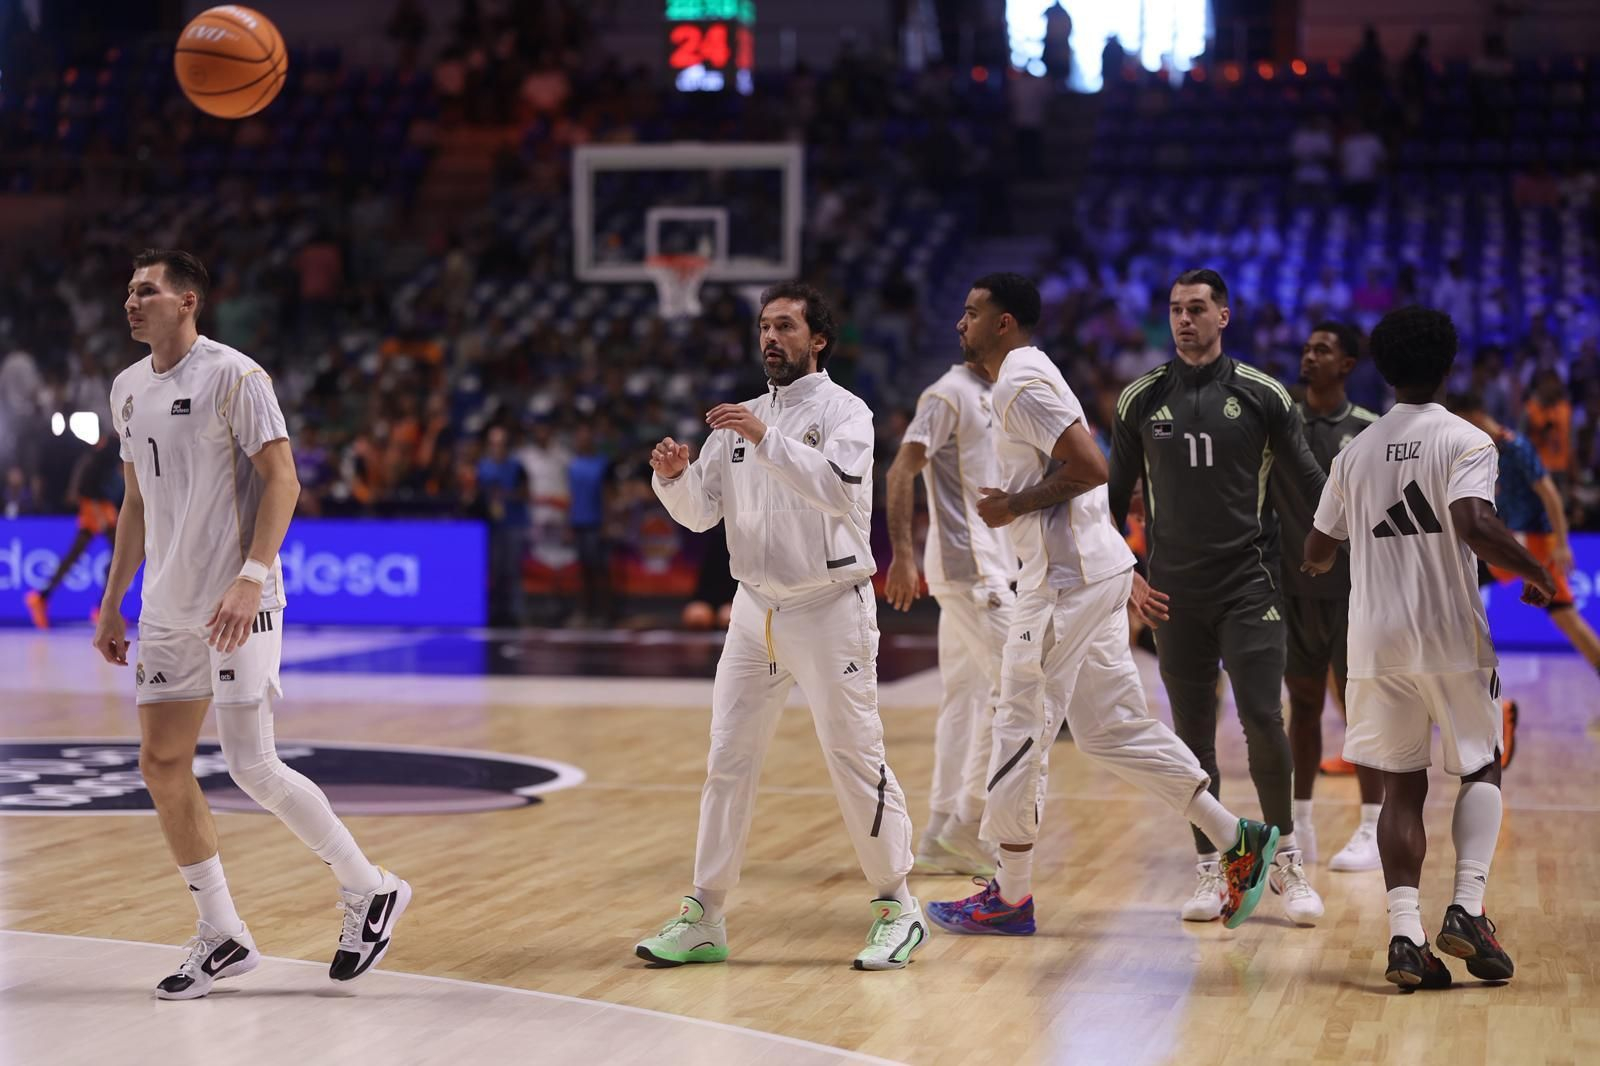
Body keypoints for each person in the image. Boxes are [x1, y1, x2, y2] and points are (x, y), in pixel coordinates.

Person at [91, 249, 410, 1000]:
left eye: (147, 291)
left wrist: (251, 577)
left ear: (188, 301)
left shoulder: (237, 375)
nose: (132, 302)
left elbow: (283, 479)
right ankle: (223, 934)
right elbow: (134, 504)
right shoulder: (127, 390)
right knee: (161, 765)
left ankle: (370, 890)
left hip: (241, 599)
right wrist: (112, 600)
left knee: (250, 763)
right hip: (166, 607)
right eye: (128, 292)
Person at [925, 274, 1282, 936]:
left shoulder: (1019, 382)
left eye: (972, 313)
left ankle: (1010, 894)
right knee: (1110, 728)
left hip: (1065, 583)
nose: (960, 324)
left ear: (1005, 323)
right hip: (1092, 574)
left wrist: (1012, 505)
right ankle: (1237, 838)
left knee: (1017, 722)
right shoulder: (1031, 374)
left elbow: (1092, 466)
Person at [636, 283, 925, 971]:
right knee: (727, 761)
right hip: (754, 610)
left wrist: (766, 439)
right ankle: (705, 914)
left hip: (830, 609)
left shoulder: (845, 412)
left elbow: (839, 489)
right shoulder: (737, 421)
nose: (772, 338)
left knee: (855, 757)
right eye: (765, 326)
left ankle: (897, 905)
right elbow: (702, 515)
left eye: (786, 326)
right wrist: (674, 480)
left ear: (817, 338)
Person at [1303, 305, 1554, 990]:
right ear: (1449, 366)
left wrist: (1336, 559)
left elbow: (1318, 549)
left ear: (1381, 371)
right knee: (1481, 767)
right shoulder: (1467, 440)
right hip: (1448, 635)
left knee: (1400, 787)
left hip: (1376, 641)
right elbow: (1475, 522)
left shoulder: (1354, 452)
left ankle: (1406, 938)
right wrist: (1535, 571)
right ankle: (1468, 910)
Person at [1108, 269, 1328, 925]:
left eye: (1197, 308)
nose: (1184, 319)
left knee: (1263, 717)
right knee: (1191, 735)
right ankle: (1213, 868)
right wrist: (1130, 578)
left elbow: (1316, 488)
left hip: (1248, 583)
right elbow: (1109, 507)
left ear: (1224, 316)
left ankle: (1287, 860)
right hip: (1173, 593)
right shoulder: (1140, 399)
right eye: (1175, 309)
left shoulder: (1263, 395)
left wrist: (1336, 551)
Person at [883, 346, 1015, 879]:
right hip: (968, 568)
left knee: (965, 698)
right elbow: (900, 471)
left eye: (974, 312)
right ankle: (969, 819)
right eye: (964, 313)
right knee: (1019, 689)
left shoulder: (999, 393)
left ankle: (940, 833)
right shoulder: (947, 393)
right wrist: (902, 554)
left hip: (991, 565)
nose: (962, 324)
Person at [1267, 322, 1385, 871]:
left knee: (1360, 712)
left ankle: (1370, 828)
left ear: (1348, 364)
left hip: (1354, 594)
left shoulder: (1371, 429)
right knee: (1304, 706)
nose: (1309, 356)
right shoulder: (1278, 421)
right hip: (1291, 588)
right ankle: (1301, 822)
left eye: (1323, 350)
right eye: (1307, 348)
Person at [1450, 392, 1600, 700]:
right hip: (1506, 543)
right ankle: (1457, 687)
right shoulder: (1484, 449)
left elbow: (1550, 495)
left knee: (1570, 623)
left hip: (1534, 545)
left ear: (1475, 417)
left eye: (1462, 423)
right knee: (1453, 591)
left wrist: (1561, 542)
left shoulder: (1516, 447)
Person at [25, 435, 123, 628]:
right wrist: (99, 513)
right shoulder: (110, 448)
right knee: (121, 554)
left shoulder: (108, 447)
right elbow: (88, 483)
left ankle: (42, 597)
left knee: (76, 555)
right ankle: (103, 608)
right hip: (96, 506)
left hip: (99, 505)